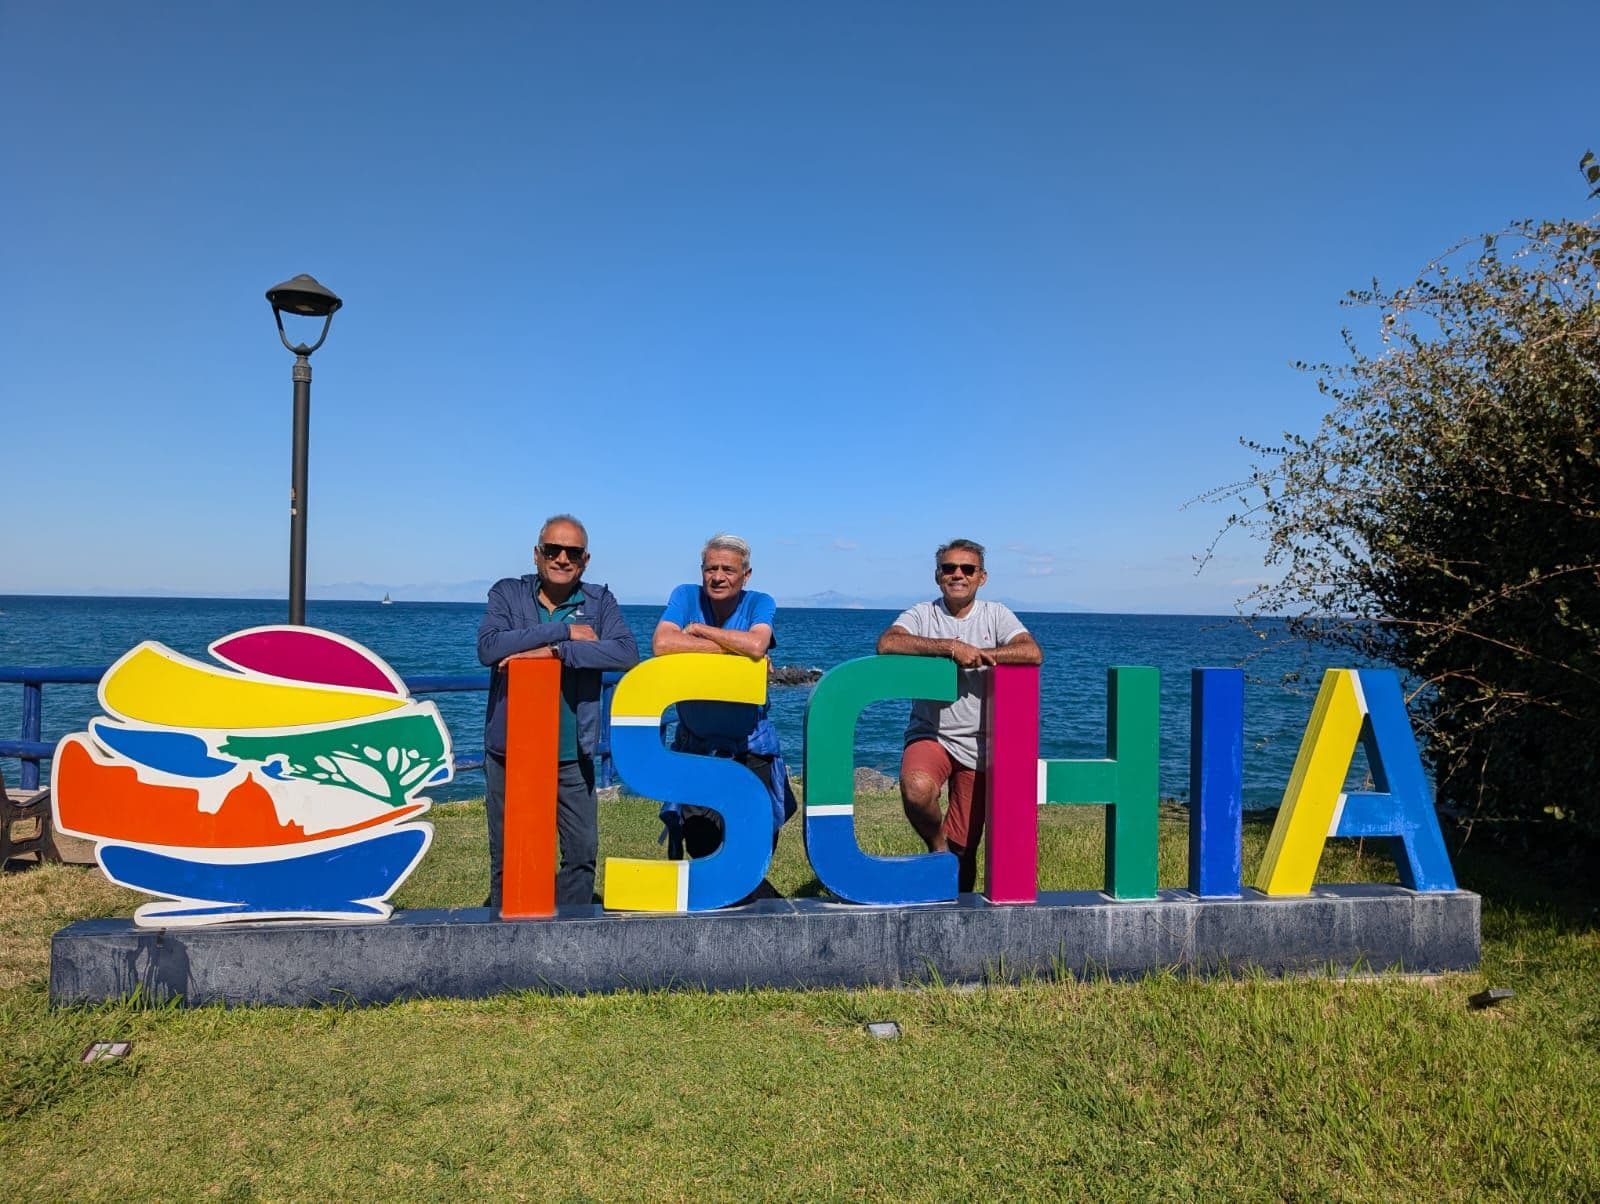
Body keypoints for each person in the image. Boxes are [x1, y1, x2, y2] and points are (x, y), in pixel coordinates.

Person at [477, 514, 638, 908]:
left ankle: (566, 938)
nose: (562, 558)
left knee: (581, 854)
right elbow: (489, 648)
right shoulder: (508, 594)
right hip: (511, 751)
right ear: (537, 554)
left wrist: (552, 653)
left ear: (585, 560)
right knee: (509, 856)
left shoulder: (600, 601)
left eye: (573, 552)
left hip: (573, 752)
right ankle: (505, 939)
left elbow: (625, 652)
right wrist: (562, 631)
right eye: (553, 549)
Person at [876, 538, 1043, 892]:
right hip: (931, 734)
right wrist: (951, 648)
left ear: (982, 577)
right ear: (937, 576)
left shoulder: (996, 614)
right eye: (949, 568)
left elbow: (1031, 652)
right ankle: (936, 846)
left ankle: (958, 910)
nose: (958, 575)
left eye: (967, 569)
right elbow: (888, 643)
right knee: (917, 789)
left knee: (965, 850)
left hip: (979, 745)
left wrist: (979, 653)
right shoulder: (923, 614)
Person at [652, 534, 797, 885]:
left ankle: (751, 912)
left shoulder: (759, 602)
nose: (718, 576)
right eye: (710, 568)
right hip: (697, 747)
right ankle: (746, 911)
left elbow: (758, 643)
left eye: (728, 570)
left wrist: (701, 631)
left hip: (751, 747)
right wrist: (737, 651)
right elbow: (662, 643)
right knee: (702, 843)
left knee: (757, 844)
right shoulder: (685, 596)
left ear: (745, 575)